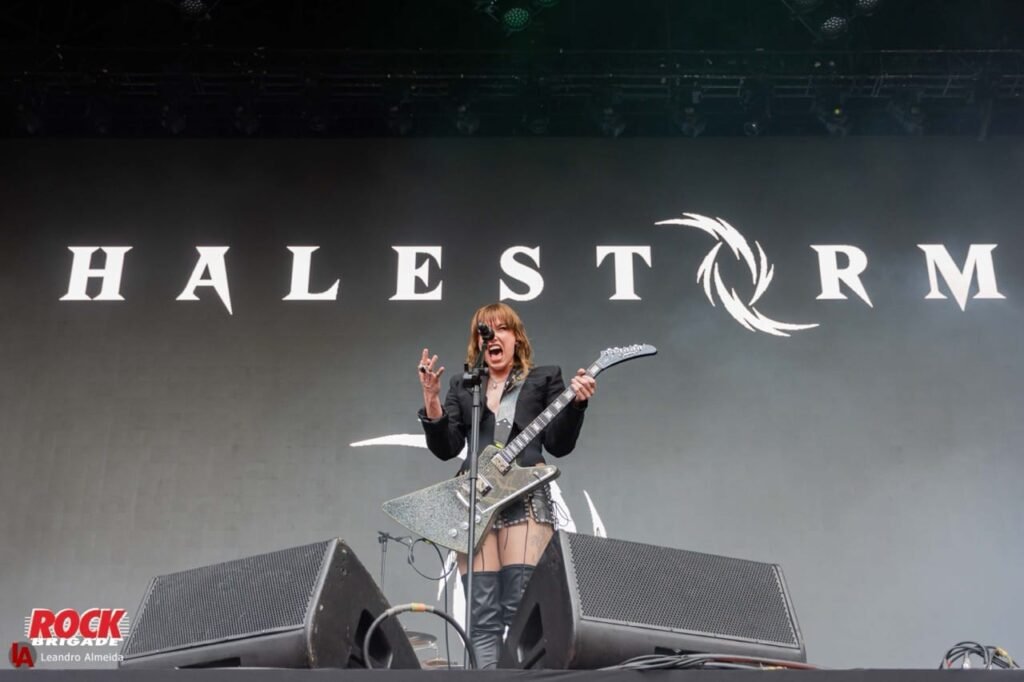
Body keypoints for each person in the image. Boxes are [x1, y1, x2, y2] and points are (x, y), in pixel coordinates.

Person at [417, 302, 597, 669]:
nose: (493, 336)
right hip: (474, 502)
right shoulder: (464, 386)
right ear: (478, 343)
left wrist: (577, 406)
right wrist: (432, 401)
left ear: (517, 338)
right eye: (486, 330)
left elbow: (559, 444)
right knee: (481, 617)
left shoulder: (544, 378)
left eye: (502, 328)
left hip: (525, 498)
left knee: (521, 612)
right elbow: (447, 447)